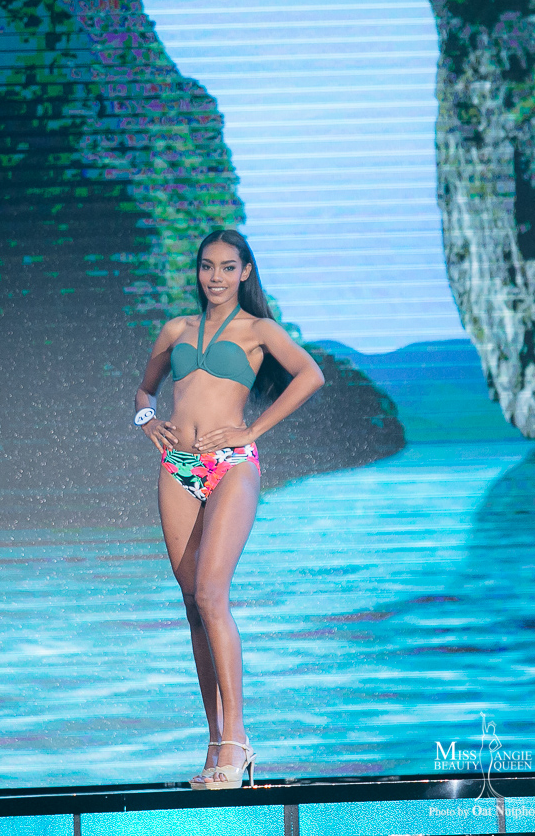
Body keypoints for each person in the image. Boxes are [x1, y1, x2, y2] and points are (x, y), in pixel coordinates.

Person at [133, 229, 325, 790]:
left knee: (212, 594)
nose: (215, 277)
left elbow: (311, 376)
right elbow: (145, 391)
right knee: (193, 605)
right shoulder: (176, 330)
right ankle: (214, 740)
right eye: (206, 266)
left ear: (245, 272)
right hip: (178, 467)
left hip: (232, 463)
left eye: (226, 267)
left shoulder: (259, 330)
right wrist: (148, 421)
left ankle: (238, 740)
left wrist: (252, 429)